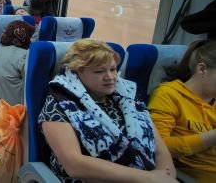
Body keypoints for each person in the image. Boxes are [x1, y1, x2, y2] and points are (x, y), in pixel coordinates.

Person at [38, 39, 177, 183]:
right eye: (99, 71)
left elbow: (159, 149)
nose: (110, 77)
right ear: (77, 72)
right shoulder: (59, 105)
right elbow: (74, 165)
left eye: (113, 69)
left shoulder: (128, 98)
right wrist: (147, 178)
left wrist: (166, 175)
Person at [148, 40, 216, 183]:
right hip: (194, 175)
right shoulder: (169, 95)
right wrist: (211, 137)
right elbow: (158, 147)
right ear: (202, 69)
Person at [0, 20, 35, 114]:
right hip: (10, 114)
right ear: (24, 37)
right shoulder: (24, 55)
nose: (32, 41)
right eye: (30, 37)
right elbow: (36, 83)